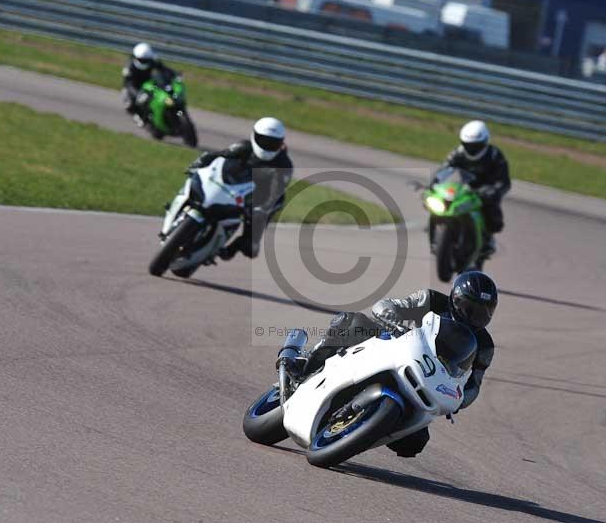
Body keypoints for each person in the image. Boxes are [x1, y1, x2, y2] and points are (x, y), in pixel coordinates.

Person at [301, 271, 497, 458]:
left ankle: (362, 431)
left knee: (414, 443)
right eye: (470, 309)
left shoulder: (485, 346)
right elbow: (385, 305)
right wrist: (394, 322)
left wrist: (459, 399)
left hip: (428, 380)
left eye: (483, 313)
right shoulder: (431, 300)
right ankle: (306, 365)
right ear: (455, 300)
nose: (474, 317)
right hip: (395, 347)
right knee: (353, 322)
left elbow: (474, 385)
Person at [188, 117, 293, 260]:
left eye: (272, 143)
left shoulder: (284, 165)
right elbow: (218, 155)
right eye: (264, 140)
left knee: (250, 248)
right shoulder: (244, 147)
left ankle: (232, 247)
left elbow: (276, 190)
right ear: (254, 136)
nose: (267, 146)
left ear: (281, 143)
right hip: (237, 183)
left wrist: (262, 208)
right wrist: (200, 162)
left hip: (262, 196)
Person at [431, 120, 511, 261]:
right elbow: (445, 168)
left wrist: (495, 190)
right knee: (437, 202)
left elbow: (504, 181)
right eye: (468, 146)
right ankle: (436, 234)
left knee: (493, 216)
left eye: (475, 146)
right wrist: (434, 183)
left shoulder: (495, 155)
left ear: (485, 142)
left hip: (488, 190)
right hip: (465, 188)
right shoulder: (459, 153)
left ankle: (488, 239)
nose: (471, 149)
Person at [121, 43, 176, 126]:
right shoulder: (129, 67)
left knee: (165, 93)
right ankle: (138, 116)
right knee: (129, 104)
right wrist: (138, 95)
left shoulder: (153, 60)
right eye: (141, 60)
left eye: (146, 60)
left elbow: (163, 69)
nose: (144, 61)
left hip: (149, 83)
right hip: (134, 86)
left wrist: (174, 74)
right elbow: (129, 84)